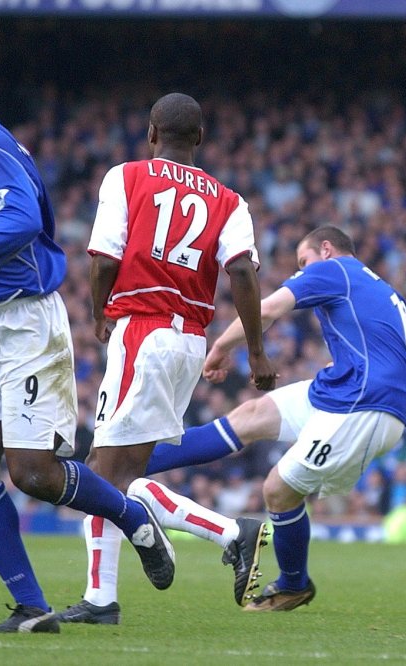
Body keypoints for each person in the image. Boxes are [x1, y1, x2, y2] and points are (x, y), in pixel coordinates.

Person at [0, 44, 174, 634]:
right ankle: (32, 605)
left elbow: (22, 219)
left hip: (23, 322)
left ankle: (132, 516)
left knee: (33, 473)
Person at [54, 92, 277, 625]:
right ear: (199, 138)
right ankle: (108, 595)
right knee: (112, 473)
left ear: (151, 132)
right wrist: (255, 349)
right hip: (190, 339)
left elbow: (104, 256)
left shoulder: (126, 177)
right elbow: (243, 273)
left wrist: (98, 312)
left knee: (109, 478)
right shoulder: (229, 199)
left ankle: (222, 537)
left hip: (144, 327)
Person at [144, 225, 406, 611]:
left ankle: (293, 584)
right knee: (251, 416)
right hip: (344, 389)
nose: (302, 272)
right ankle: (140, 460)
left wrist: (220, 347)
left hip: (363, 403)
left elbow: (267, 308)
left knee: (278, 490)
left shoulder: (335, 269)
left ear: (326, 249)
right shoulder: (382, 289)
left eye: (304, 263)